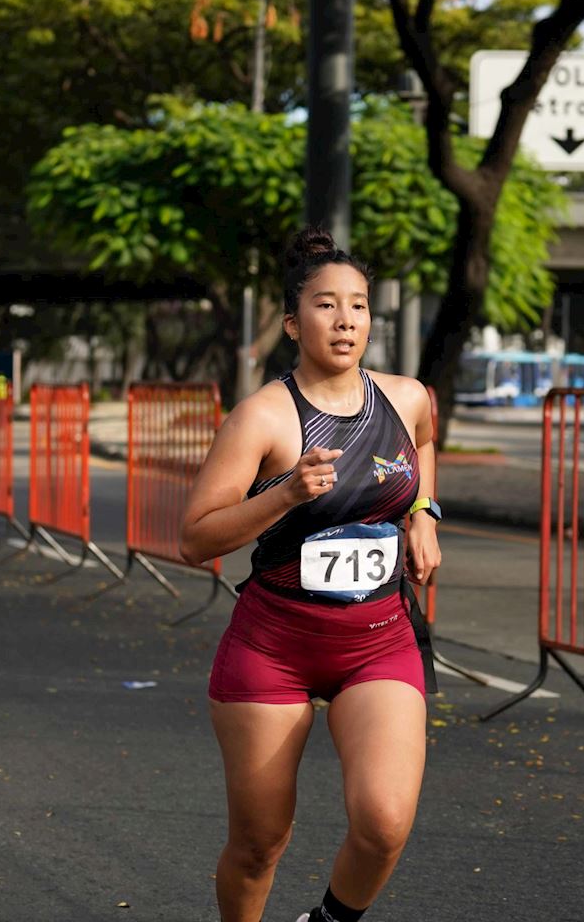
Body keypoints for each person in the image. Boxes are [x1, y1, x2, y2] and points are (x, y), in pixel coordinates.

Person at [180, 226, 443, 922]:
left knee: (384, 822)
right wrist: (286, 494)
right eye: (326, 305)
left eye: (358, 304)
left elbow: (422, 442)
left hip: (380, 640)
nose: (346, 319)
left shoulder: (406, 396)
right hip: (274, 647)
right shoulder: (263, 417)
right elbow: (193, 537)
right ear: (294, 323)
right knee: (260, 843)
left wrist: (423, 513)